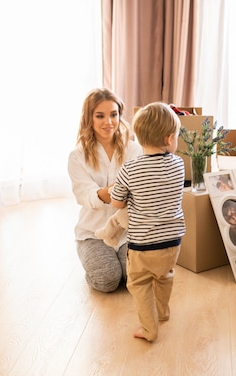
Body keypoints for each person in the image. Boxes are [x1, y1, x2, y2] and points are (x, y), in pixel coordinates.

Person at [110, 102, 185, 342]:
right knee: (164, 275)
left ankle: (149, 328)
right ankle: (162, 312)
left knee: (139, 283)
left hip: (143, 244)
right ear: (170, 138)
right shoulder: (178, 165)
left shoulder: (129, 168)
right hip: (172, 242)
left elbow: (117, 203)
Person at [68, 88, 143, 293]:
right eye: (100, 116)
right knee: (108, 281)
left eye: (113, 115)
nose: (108, 122)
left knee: (134, 280)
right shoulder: (77, 156)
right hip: (93, 233)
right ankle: (94, 264)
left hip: (128, 232)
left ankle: (118, 264)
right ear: (89, 118)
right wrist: (114, 191)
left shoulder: (134, 149)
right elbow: (85, 195)